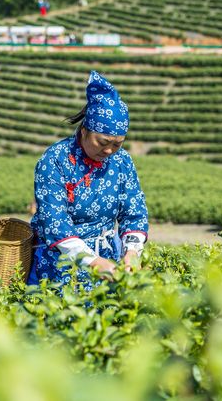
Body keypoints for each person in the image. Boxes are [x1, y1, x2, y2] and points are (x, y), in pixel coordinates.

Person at [27, 71, 149, 288]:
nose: (110, 150)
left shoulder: (122, 161)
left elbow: (134, 211)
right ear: (84, 130)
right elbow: (55, 222)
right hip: (60, 263)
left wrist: (131, 251)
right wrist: (91, 261)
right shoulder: (55, 160)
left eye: (118, 144)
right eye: (102, 142)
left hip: (108, 261)